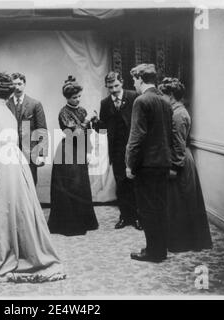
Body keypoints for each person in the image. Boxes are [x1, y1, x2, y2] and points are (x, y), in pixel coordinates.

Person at [0, 73, 65, 283]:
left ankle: (3, 252)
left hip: (4, 162)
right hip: (17, 160)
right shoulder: (8, 112)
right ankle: (24, 248)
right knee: (19, 207)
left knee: (2, 209)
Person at [158, 77, 213, 252]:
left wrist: (174, 167)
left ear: (171, 95)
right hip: (180, 158)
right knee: (180, 202)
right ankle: (182, 240)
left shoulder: (178, 114)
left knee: (181, 202)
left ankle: (184, 242)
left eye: (163, 95)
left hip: (180, 161)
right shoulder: (176, 111)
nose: (161, 98)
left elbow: (179, 144)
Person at [125, 64, 173, 263]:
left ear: (140, 79)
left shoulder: (141, 101)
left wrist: (130, 164)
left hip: (146, 165)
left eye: (134, 80)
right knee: (160, 208)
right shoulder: (165, 102)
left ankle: (153, 252)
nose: (134, 84)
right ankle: (160, 250)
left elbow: (136, 137)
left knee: (146, 210)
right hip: (163, 163)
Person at [48, 76, 99, 236]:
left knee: (81, 185)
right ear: (67, 98)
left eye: (79, 96)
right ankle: (69, 224)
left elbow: (88, 132)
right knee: (71, 186)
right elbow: (74, 134)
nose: (77, 99)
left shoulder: (82, 110)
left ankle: (84, 221)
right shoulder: (63, 112)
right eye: (74, 97)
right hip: (67, 151)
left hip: (81, 149)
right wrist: (86, 120)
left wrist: (90, 151)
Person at [92, 71, 142, 231]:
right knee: (121, 184)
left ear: (122, 83)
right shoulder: (105, 103)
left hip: (134, 148)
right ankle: (125, 216)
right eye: (110, 86)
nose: (114, 89)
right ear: (106, 86)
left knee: (135, 183)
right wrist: (96, 123)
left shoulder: (134, 96)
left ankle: (138, 217)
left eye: (116, 86)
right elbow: (103, 129)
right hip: (117, 149)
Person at [7, 72, 48, 185]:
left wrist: (41, 154)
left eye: (20, 84)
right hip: (11, 152)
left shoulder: (35, 104)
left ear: (24, 84)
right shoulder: (6, 104)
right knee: (14, 184)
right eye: (14, 84)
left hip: (30, 151)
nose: (17, 87)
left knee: (30, 183)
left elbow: (42, 130)